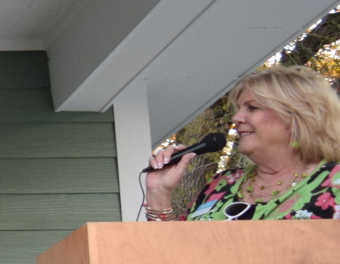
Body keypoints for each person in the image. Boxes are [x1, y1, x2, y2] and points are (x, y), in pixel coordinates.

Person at [145, 67, 340, 221]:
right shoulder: (220, 184)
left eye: (252, 108)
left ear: (295, 118)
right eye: (238, 109)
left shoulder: (334, 183)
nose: (237, 117)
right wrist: (159, 193)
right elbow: (175, 256)